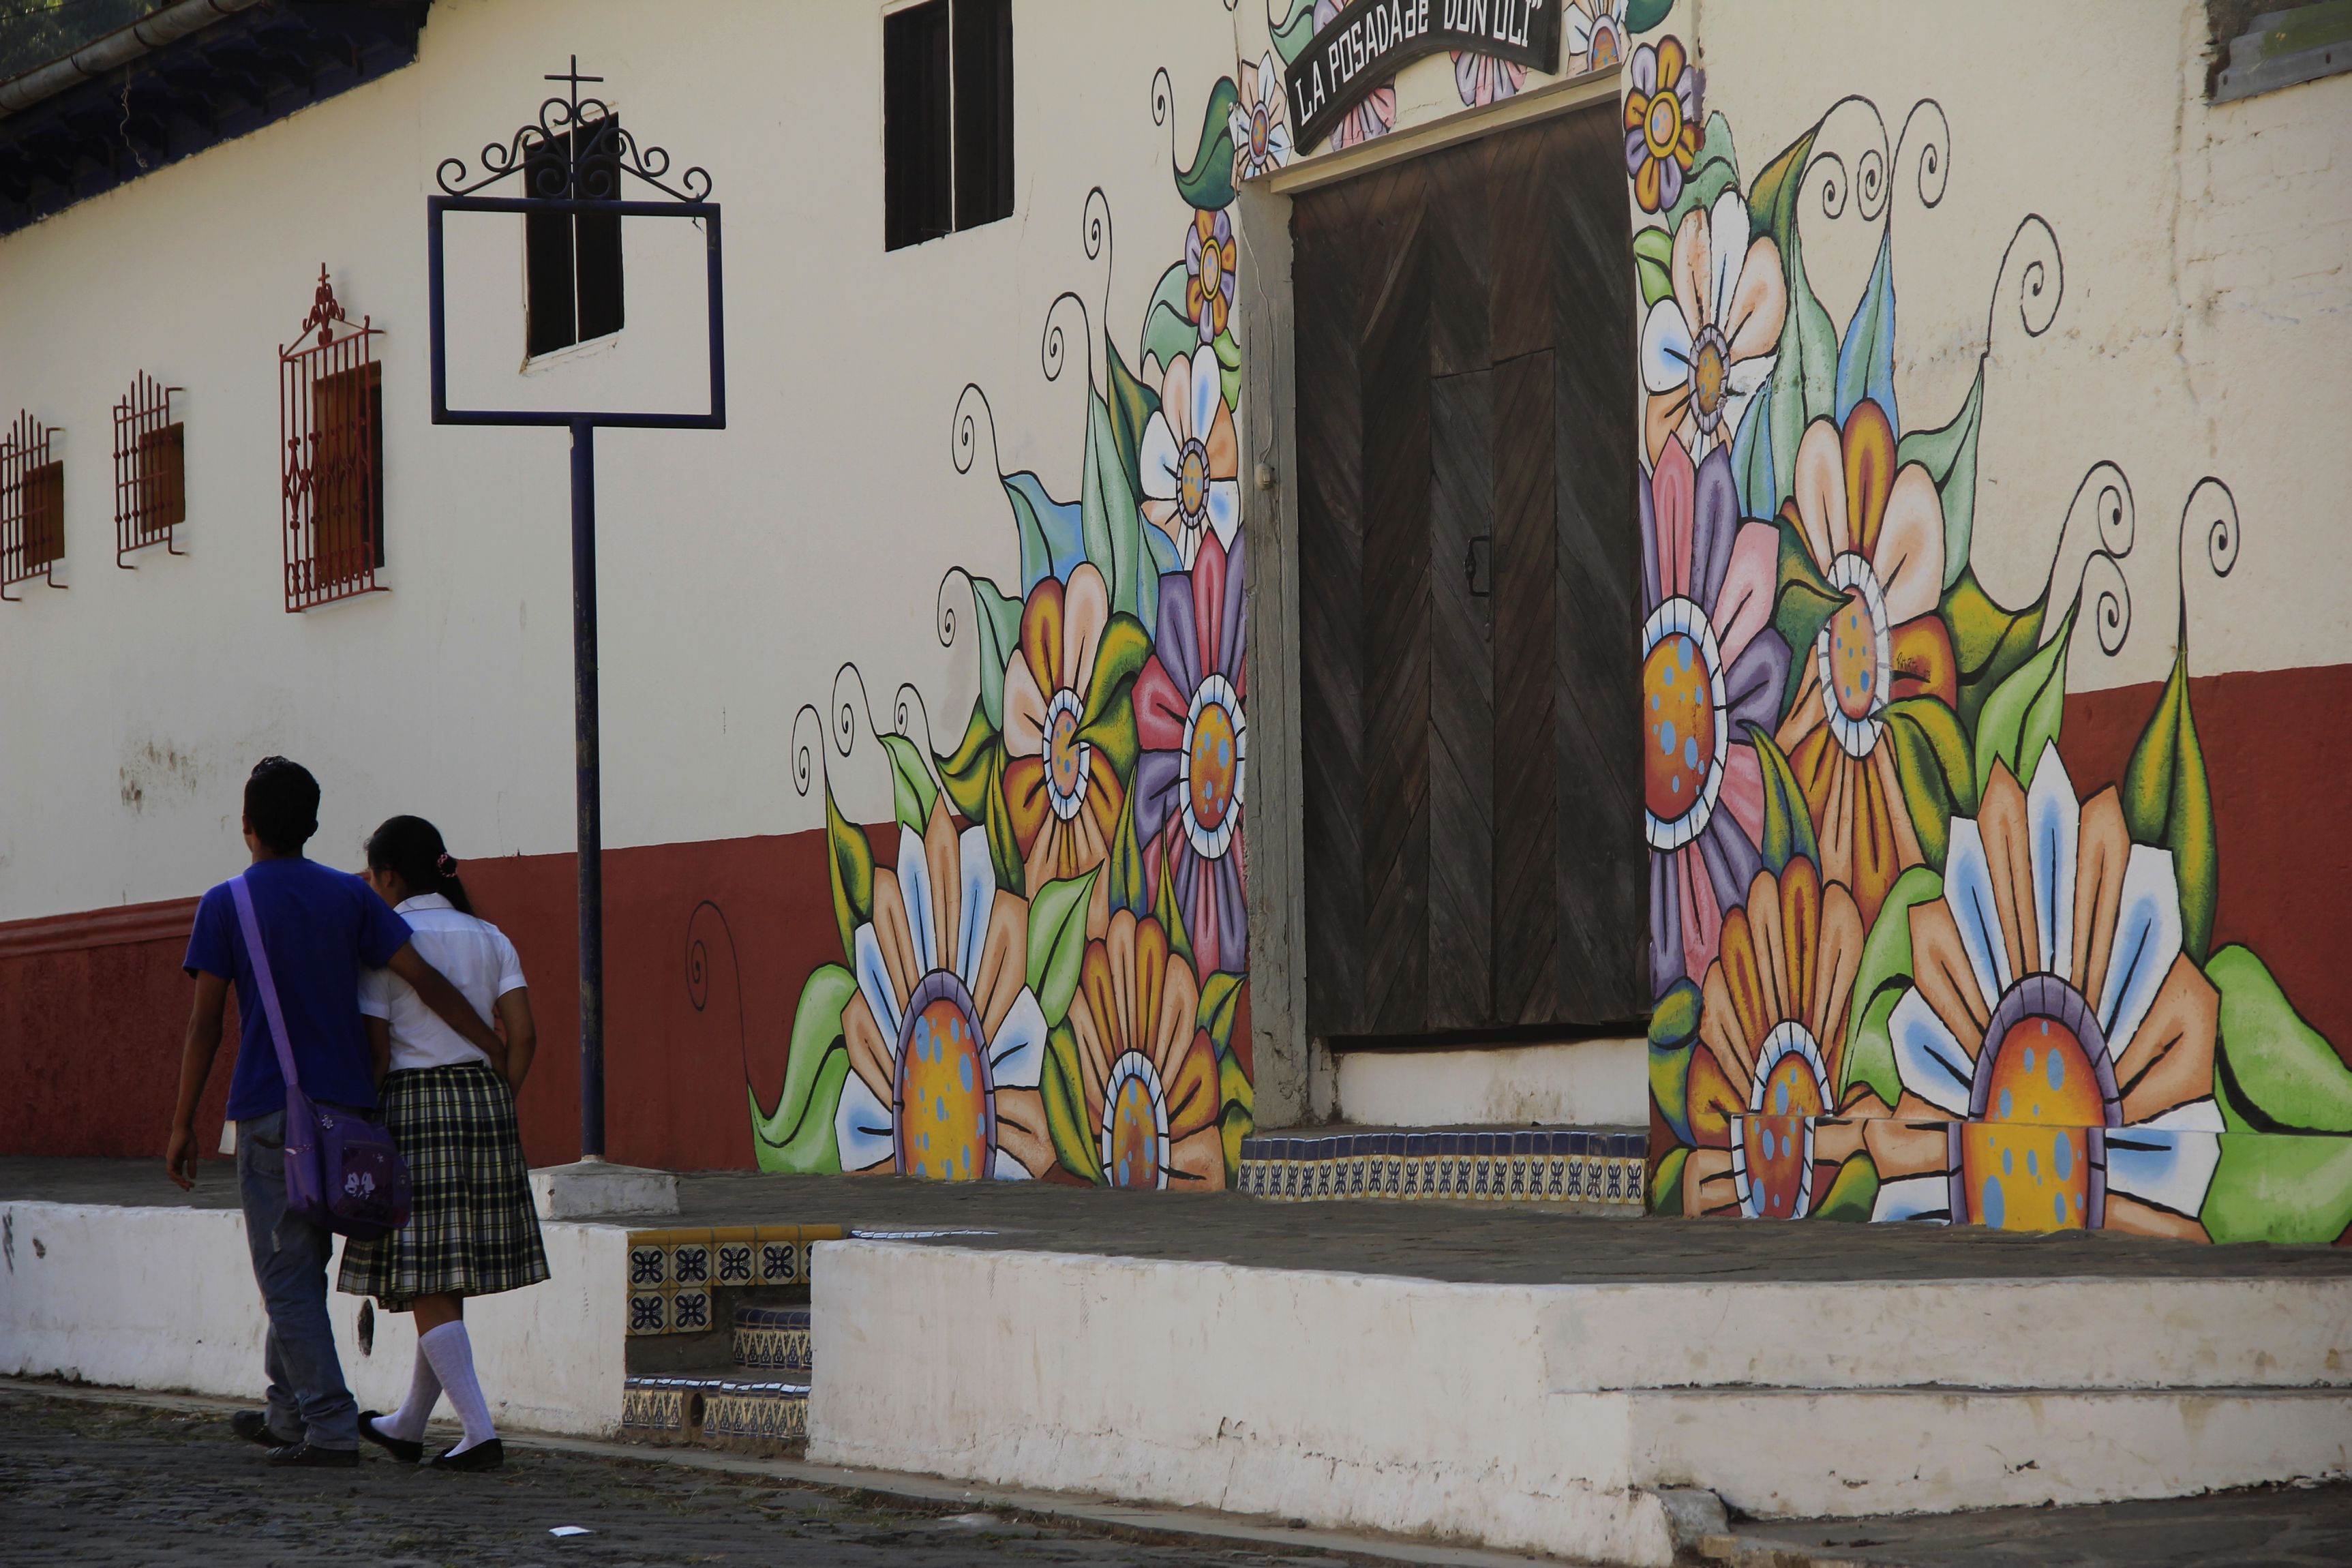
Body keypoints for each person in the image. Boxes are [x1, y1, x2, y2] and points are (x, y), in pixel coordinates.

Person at [167, 758, 509, 1468]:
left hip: (272, 1110)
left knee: (285, 1276)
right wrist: (489, 1042)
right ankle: (285, 1410)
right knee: (301, 1266)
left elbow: (204, 1026)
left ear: (246, 825)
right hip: (350, 1114)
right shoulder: (351, 896)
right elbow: (422, 978)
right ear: (315, 824)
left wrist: (181, 1121)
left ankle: (326, 1423)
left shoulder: (226, 903)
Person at [339, 815, 547, 1473]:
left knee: (427, 1272)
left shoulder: (386, 943)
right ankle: (407, 1425)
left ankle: (480, 1433)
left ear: (389, 876)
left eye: (372, 876)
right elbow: (524, 1035)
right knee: (443, 1275)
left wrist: (359, 1128)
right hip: (485, 1099)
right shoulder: (491, 936)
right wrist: (498, 1096)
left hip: (413, 1106)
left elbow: (377, 1055)